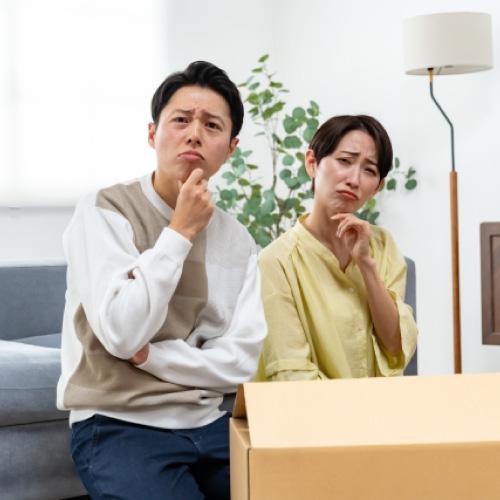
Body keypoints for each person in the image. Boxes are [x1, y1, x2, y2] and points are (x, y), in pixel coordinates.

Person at [57, 61, 266, 500]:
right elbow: (122, 331)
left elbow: (242, 362)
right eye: (181, 120)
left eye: (212, 125)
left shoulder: (239, 241)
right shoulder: (103, 210)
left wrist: (151, 356)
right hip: (117, 422)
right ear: (153, 134)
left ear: (230, 147)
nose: (194, 134)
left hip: (209, 424)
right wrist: (180, 232)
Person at [256, 115, 417, 382]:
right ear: (312, 163)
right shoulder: (275, 261)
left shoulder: (383, 245)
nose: (354, 179)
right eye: (344, 161)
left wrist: (366, 265)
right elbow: (292, 372)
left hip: (385, 404)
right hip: (309, 407)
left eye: (369, 170)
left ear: (377, 187)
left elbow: (395, 347)